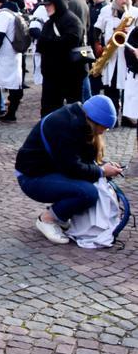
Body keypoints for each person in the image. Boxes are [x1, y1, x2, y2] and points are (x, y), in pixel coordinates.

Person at [15, 95, 122, 245]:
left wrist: (102, 167)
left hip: (45, 170)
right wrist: (102, 171)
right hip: (31, 177)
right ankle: (47, 219)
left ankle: (60, 215)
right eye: (104, 127)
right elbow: (73, 168)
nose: (104, 132)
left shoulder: (78, 119)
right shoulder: (66, 126)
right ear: (95, 122)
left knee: (87, 189)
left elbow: (79, 160)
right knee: (88, 193)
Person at [36, 0, 84, 115]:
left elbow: (70, 42)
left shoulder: (72, 21)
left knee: (73, 111)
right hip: (52, 76)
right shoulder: (49, 23)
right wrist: (52, 43)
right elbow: (41, 45)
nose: (46, 7)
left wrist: (50, 43)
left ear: (58, 4)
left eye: (48, 5)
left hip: (70, 75)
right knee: (48, 110)